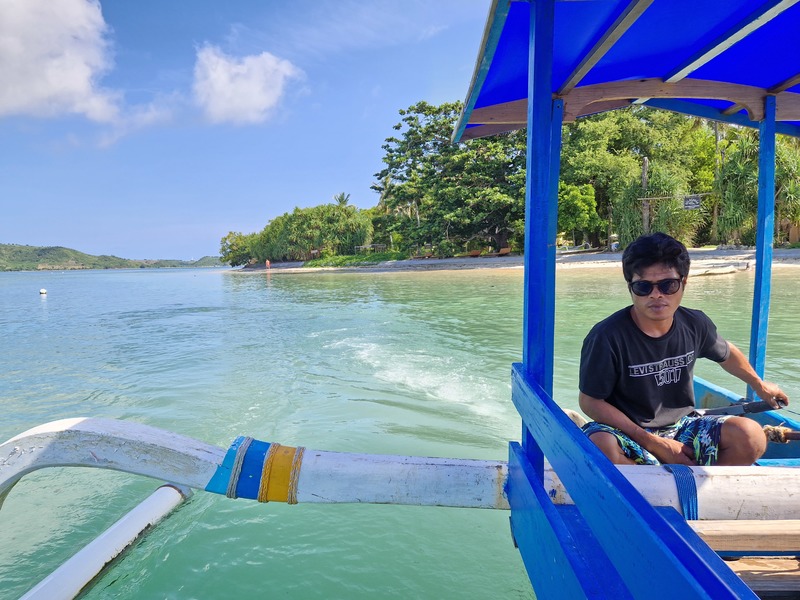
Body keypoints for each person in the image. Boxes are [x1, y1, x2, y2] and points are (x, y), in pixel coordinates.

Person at [579, 232, 789, 466]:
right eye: (643, 287)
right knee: (600, 446)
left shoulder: (695, 324)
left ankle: (699, 493)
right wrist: (652, 442)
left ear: (684, 282)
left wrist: (759, 385)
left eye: (668, 285)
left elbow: (727, 354)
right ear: (630, 288)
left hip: (682, 426)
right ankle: (655, 491)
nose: (656, 295)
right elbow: (590, 402)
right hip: (628, 432)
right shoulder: (606, 336)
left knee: (751, 437)